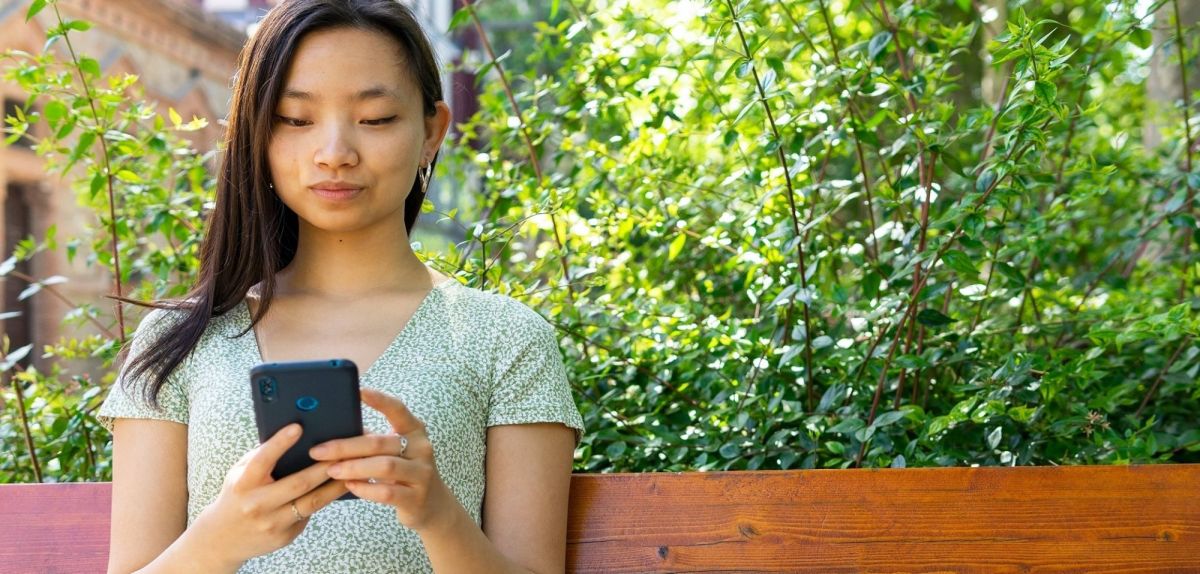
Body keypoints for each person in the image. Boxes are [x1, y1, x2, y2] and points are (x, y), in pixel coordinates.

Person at [97, 1, 585, 572]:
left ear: (432, 132)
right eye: (295, 119)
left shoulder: (506, 339)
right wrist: (221, 538)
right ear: (257, 134)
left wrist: (438, 517)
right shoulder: (180, 340)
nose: (334, 154)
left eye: (375, 119)